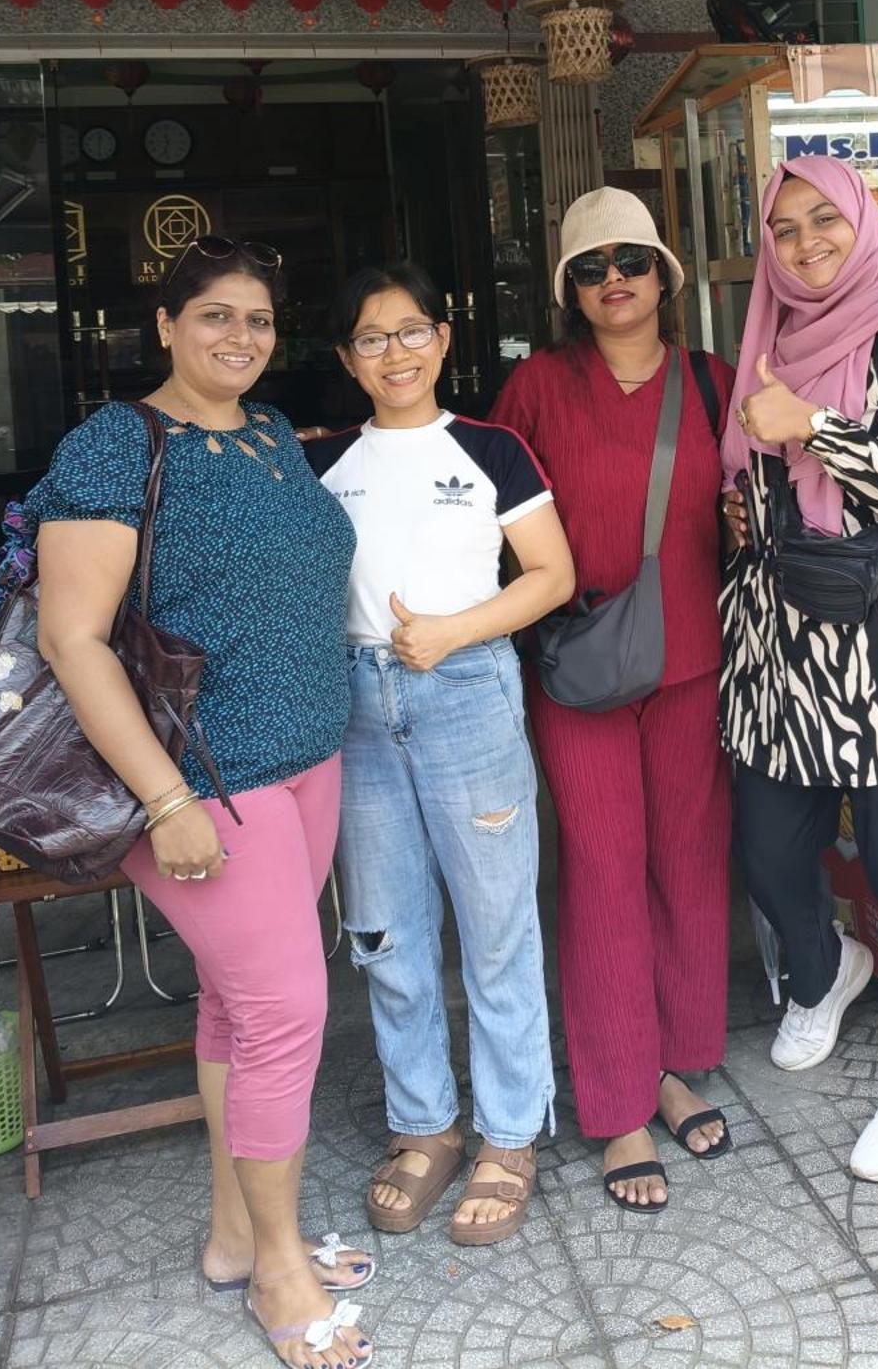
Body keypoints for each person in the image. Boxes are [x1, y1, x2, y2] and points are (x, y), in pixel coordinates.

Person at [31, 237, 373, 1369]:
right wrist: (166, 797)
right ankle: (278, 1263)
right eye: (216, 316)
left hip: (308, 761)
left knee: (239, 1005)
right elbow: (71, 638)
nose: (241, 337)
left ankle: (237, 1232)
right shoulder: (115, 445)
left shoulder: (271, 434)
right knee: (286, 1013)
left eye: (261, 320)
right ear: (167, 323)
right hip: (207, 782)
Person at [720, 157, 878, 1185]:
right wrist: (740, 504)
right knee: (767, 846)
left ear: (866, 222)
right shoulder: (768, 334)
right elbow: (744, 466)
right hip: (778, 641)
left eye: (826, 219)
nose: (806, 242)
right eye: (784, 229)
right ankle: (824, 970)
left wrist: (812, 428)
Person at [306, 263, 573, 1247]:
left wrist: (454, 631)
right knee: (386, 932)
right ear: (347, 357)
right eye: (372, 338)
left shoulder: (494, 449)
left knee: (498, 926)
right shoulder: (322, 461)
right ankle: (424, 1124)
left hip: (465, 695)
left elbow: (553, 573)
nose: (396, 352)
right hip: (359, 707)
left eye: (411, 330)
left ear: (445, 337)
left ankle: (510, 1131)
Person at [491, 187, 735, 1213]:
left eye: (632, 259)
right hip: (583, 668)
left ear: (665, 275)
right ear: (569, 290)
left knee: (688, 862)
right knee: (599, 870)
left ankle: (677, 1061)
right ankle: (619, 1100)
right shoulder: (537, 386)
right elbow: (488, 511)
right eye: (592, 268)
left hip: (695, 660)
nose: (614, 279)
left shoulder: (713, 382)